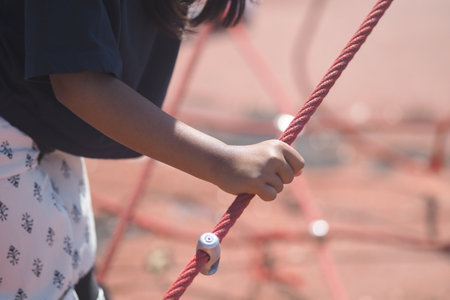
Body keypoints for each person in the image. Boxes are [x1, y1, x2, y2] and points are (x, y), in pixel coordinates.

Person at [0, 1, 305, 299]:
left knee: (81, 277)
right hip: (11, 125)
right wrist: (221, 161)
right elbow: (79, 83)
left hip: (38, 115)